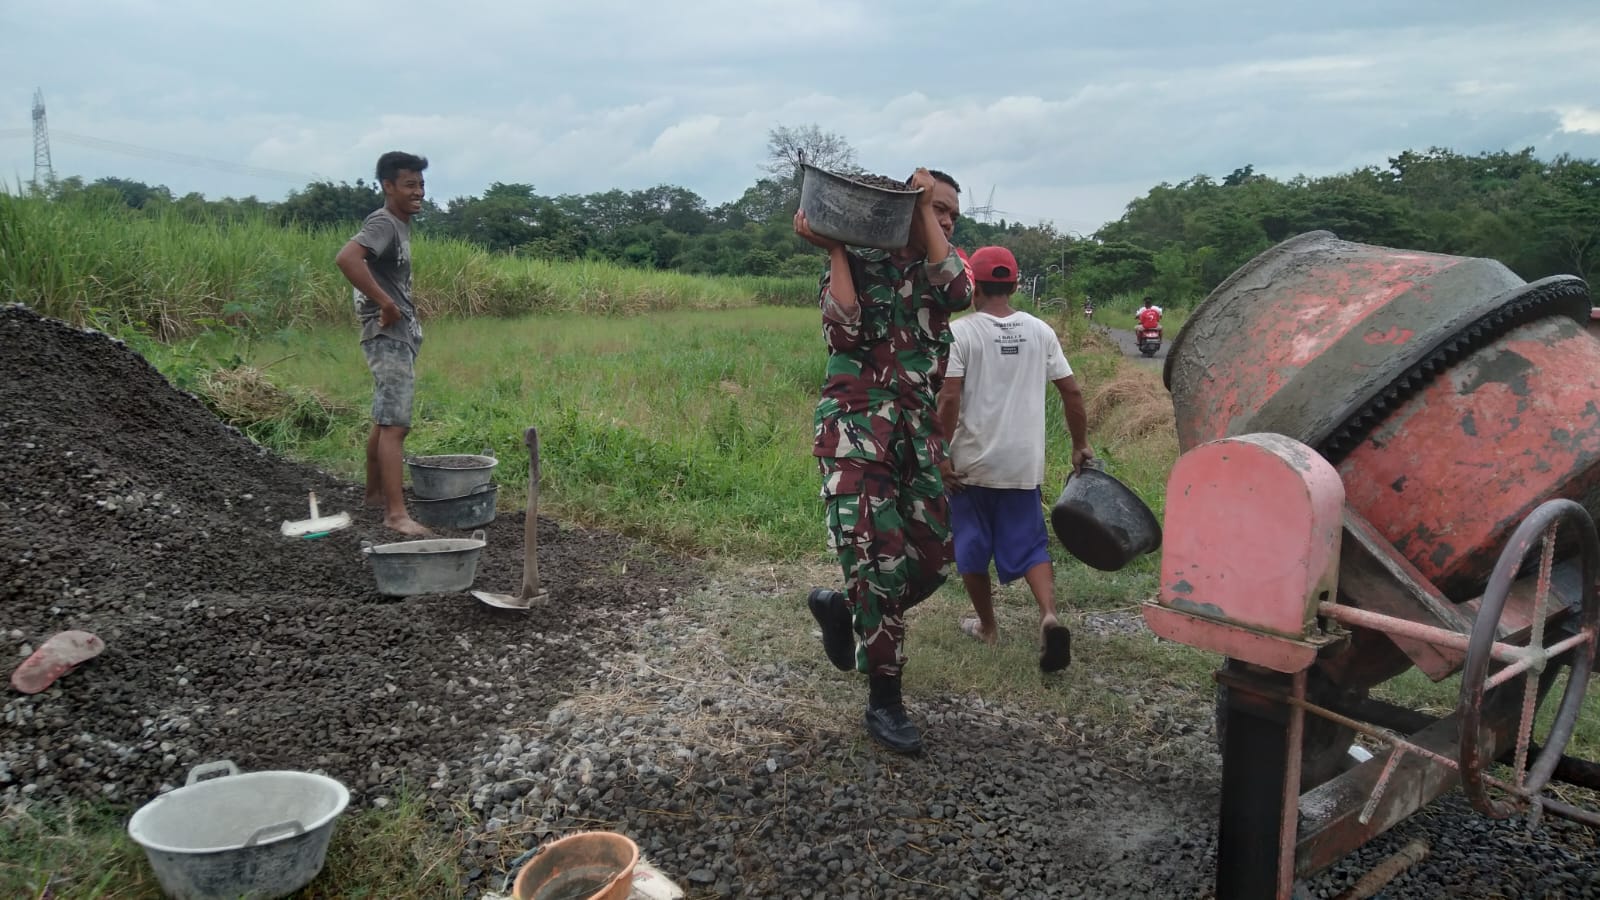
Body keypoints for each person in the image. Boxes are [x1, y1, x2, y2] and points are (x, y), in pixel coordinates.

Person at [794, 167, 972, 755]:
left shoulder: (945, 270)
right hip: (855, 431)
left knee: (930, 555)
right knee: (878, 559)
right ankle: (886, 699)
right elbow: (844, 328)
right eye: (935, 207)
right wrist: (839, 247)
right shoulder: (863, 266)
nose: (944, 218)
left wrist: (921, 207)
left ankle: (842, 608)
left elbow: (957, 293)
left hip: (916, 435)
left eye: (949, 211)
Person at [936, 246, 1093, 673]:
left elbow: (949, 397)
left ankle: (988, 627)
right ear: (1016, 285)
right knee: (1030, 544)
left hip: (972, 464)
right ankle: (1049, 616)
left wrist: (941, 454)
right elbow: (1072, 392)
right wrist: (1079, 444)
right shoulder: (1041, 331)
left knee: (970, 545)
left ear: (974, 289)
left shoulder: (961, 332)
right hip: (1022, 465)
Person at [335, 151, 431, 536]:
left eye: (421, 184)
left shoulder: (398, 224)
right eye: (409, 185)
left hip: (397, 335)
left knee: (383, 419)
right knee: (395, 425)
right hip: (386, 334)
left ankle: (375, 494)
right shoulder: (384, 222)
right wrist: (387, 304)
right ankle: (396, 515)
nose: (418, 192)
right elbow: (346, 258)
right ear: (388, 187)